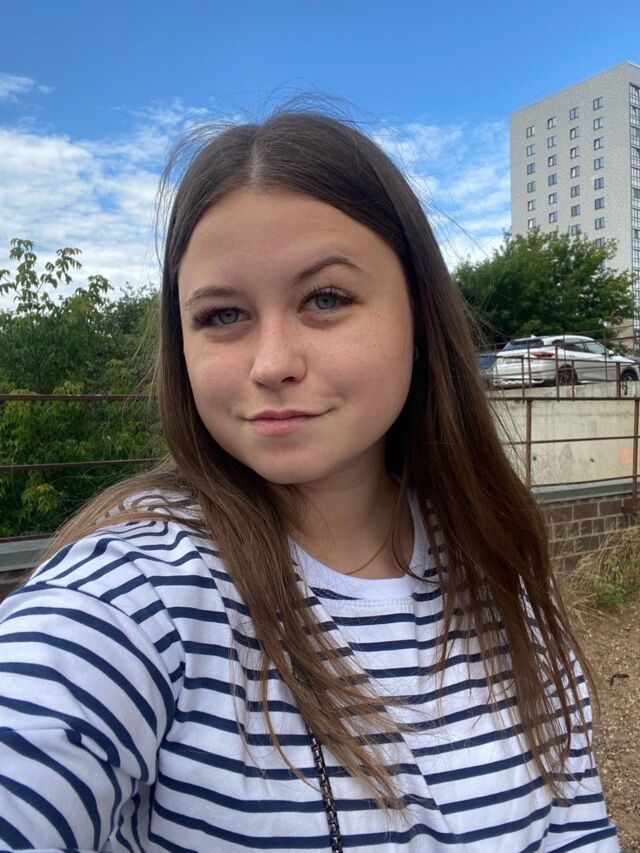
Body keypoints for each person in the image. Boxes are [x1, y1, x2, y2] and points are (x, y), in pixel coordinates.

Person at [0, 110, 619, 853]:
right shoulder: (136, 595)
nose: (272, 363)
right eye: (223, 314)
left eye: (325, 298)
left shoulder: (499, 566)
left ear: (419, 317)